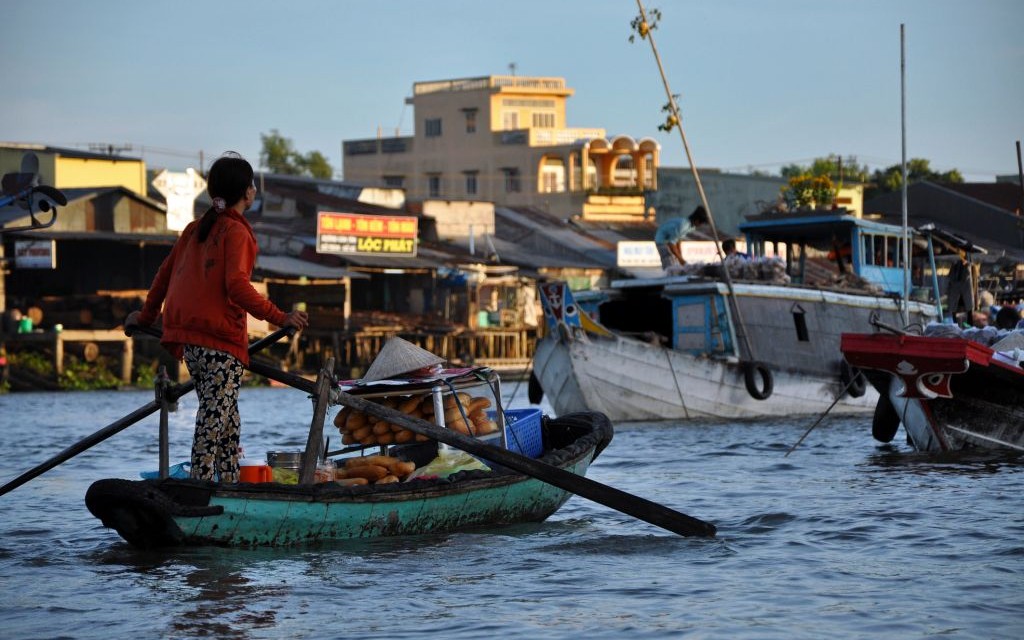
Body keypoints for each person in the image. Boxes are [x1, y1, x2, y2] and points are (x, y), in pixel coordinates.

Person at [125, 153, 308, 483]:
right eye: (252, 185)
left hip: (193, 343)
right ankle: (201, 485)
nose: (253, 190)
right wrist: (281, 317)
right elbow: (237, 287)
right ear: (247, 193)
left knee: (227, 419)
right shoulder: (234, 232)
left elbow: (163, 277)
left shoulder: (196, 228)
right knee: (214, 417)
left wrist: (146, 315)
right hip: (218, 343)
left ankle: (229, 483)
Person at [655, 205, 710, 270]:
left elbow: (678, 240)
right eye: (701, 223)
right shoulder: (683, 225)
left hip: (669, 241)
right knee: (670, 265)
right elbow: (671, 244)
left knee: (676, 262)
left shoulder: (691, 227)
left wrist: (680, 256)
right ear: (697, 221)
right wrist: (681, 259)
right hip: (662, 241)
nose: (700, 225)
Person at [946, 251, 973, 320]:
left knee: (967, 307)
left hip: (962, 287)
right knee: (953, 308)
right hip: (957, 286)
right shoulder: (956, 265)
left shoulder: (966, 266)